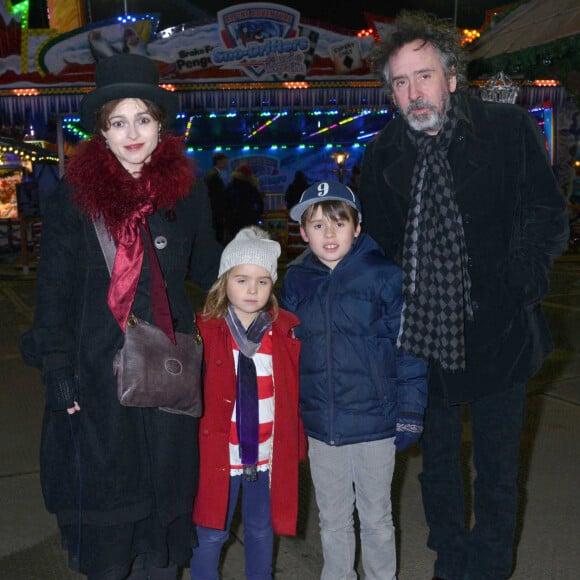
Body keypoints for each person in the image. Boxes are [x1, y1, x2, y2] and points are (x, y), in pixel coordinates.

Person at [358, 11, 570, 580]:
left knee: (499, 468)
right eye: (400, 82)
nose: (413, 92)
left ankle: (492, 564)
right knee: (439, 467)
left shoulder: (506, 130)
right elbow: (371, 247)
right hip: (424, 337)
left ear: (453, 77)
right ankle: (451, 562)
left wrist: (520, 284)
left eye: (424, 76)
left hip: (501, 329)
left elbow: (547, 218)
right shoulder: (381, 156)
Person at [19, 53, 223, 579]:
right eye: (118, 121)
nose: (132, 132)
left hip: (168, 374)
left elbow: (211, 269)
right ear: (102, 131)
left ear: (161, 126)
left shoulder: (187, 194)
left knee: (162, 511)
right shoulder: (75, 200)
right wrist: (59, 370)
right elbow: (54, 289)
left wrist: (261, 264)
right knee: (109, 516)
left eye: (144, 119)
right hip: (98, 378)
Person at [280, 181, 428, 580]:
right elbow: (285, 353)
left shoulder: (386, 276)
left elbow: (409, 349)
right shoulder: (295, 281)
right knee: (332, 518)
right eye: (316, 225)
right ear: (303, 232)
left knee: (376, 516)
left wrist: (411, 409)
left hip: (374, 422)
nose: (329, 234)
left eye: (339, 223)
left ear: (357, 227)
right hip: (321, 423)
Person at [190, 226, 305, 580]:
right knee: (210, 533)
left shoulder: (284, 331)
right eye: (242, 280)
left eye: (262, 281)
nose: (252, 290)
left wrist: (297, 446)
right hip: (219, 456)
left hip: (268, 457)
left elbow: (294, 393)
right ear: (224, 282)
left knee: (260, 529)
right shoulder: (205, 331)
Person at [226, 163, 264, 239]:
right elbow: (259, 205)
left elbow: (226, 204)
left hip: (234, 221)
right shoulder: (251, 187)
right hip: (249, 220)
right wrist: (257, 216)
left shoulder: (230, 187)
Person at [204, 152, 229, 243]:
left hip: (213, 211)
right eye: (225, 161)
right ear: (219, 161)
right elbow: (216, 197)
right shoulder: (214, 176)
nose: (227, 163)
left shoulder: (212, 174)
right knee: (218, 236)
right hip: (215, 212)